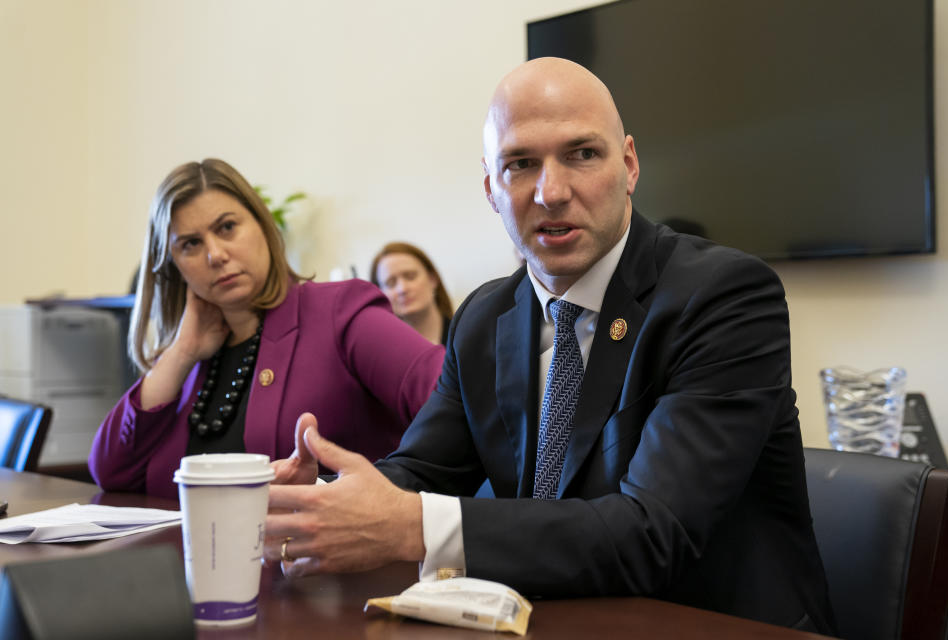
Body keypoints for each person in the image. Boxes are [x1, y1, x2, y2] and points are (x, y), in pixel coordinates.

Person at [263, 59, 835, 634]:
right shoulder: (485, 317)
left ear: (629, 165)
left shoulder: (724, 296)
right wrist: (325, 504)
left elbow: (654, 534)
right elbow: (424, 469)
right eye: (520, 164)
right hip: (549, 620)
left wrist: (415, 525)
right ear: (492, 189)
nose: (552, 192)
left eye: (583, 154)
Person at [88, 159, 444, 500]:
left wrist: (367, 490)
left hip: (327, 559)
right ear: (174, 266)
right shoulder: (189, 360)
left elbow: (454, 402)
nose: (215, 254)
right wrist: (181, 352)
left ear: (262, 226)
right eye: (190, 244)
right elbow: (110, 472)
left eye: (227, 227)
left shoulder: (340, 313)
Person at [370, 242, 454, 346]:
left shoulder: (466, 336)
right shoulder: (382, 353)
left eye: (410, 276)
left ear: (432, 279)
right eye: (391, 283)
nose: (402, 289)